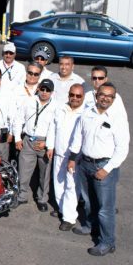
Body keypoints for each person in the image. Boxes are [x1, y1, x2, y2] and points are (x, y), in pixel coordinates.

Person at [67, 82, 130, 256]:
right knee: (88, 201)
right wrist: (73, 159)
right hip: (85, 163)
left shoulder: (117, 119)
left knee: (105, 208)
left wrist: (107, 169)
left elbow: (122, 149)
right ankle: (90, 226)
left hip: (104, 166)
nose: (105, 98)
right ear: (96, 95)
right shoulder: (87, 113)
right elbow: (78, 136)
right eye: (102, 95)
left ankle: (107, 242)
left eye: (110, 96)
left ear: (114, 99)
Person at [13, 79, 58, 211]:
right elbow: (18, 119)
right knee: (24, 170)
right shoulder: (29, 101)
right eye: (42, 89)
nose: (44, 93)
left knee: (45, 174)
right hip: (28, 140)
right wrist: (17, 138)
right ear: (38, 88)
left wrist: (49, 145)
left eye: (47, 90)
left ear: (52, 92)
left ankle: (42, 199)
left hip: (44, 142)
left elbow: (54, 127)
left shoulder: (56, 106)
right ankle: (22, 196)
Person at [46, 83, 85, 231]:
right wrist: (50, 146)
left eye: (78, 96)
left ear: (83, 97)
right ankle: (62, 209)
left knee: (71, 187)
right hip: (59, 153)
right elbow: (52, 128)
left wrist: (74, 158)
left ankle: (69, 218)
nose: (74, 98)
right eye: (72, 95)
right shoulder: (60, 108)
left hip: (74, 158)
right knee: (58, 183)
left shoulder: (84, 113)